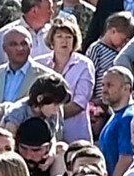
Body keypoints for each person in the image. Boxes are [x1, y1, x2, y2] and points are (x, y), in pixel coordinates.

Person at [35, 15, 93, 144]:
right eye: (59, 36)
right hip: (42, 131)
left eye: (68, 37)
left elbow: (79, 103)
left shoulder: (84, 65)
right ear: (52, 40)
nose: (64, 41)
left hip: (75, 133)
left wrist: (51, 114)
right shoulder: (39, 63)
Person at [0, 26, 54, 106]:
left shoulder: (46, 77)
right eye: (13, 44)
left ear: (31, 46)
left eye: (24, 43)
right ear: (4, 48)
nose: (20, 48)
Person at [97, 66, 134, 176]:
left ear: (126, 89)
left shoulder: (129, 117)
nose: (104, 90)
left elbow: (126, 158)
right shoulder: (117, 114)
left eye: (110, 85)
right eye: (103, 85)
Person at [85, 12, 134, 106]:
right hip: (98, 101)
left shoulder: (121, 54)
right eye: (123, 39)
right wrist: (91, 99)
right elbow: (90, 74)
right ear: (113, 31)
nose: (124, 44)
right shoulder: (97, 48)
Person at [0, 0, 51, 65]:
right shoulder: (4, 34)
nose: (52, 12)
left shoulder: (55, 33)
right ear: (34, 11)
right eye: (49, 8)